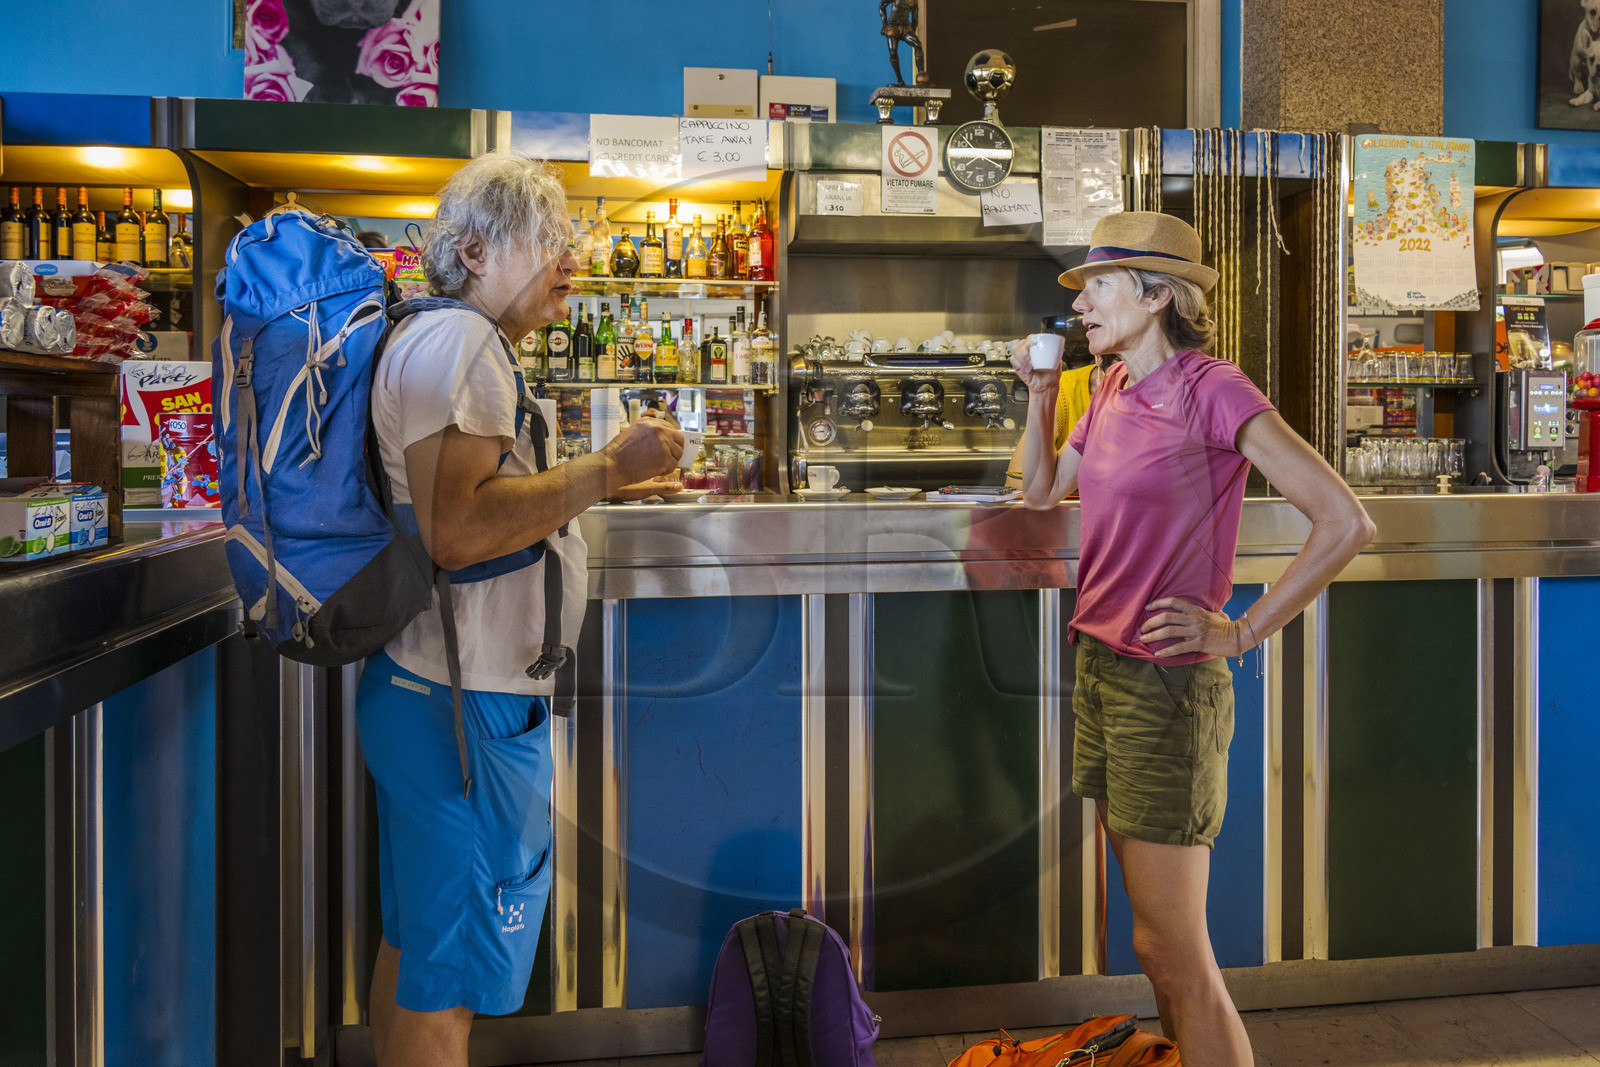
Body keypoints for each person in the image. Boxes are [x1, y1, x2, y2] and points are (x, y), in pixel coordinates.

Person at [1009, 211, 1375, 1067]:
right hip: (1101, 667)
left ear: (1158, 295)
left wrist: (1241, 627)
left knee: (1176, 947)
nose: (1083, 303)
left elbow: (1345, 520)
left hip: (1167, 687)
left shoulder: (1214, 387)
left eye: (1099, 286)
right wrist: (1035, 395)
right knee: (1149, 941)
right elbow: (1037, 496)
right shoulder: (1105, 389)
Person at [357, 153, 682, 1067]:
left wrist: (579, 491)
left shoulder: (435, 335)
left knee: (419, 950)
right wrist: (610, 470)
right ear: (471, 249)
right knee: (451, 984)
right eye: (547, 241)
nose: (568, 260)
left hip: (429, 690)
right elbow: (458, 527)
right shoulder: (465, 345)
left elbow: (472, 507)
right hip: (463, 703)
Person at [1004, 318, 1105, 490]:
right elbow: (1024, 491)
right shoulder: (1064, 388)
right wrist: (1041, 392)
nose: (1080, 304)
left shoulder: (1161, 396)